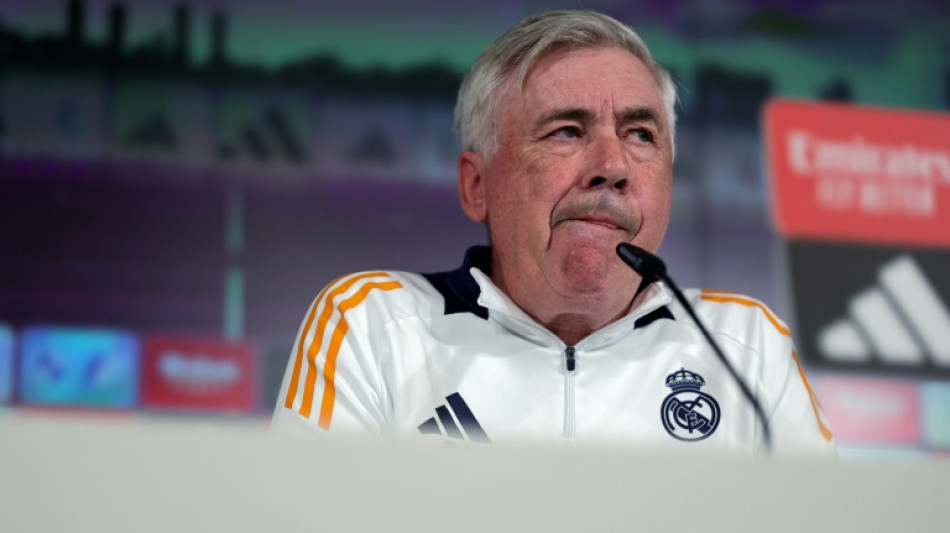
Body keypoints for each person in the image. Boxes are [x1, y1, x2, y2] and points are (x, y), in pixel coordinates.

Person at [273, 10, 835, 455]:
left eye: (640, 134)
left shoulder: (745, 347)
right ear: (477, 186)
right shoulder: (374, 326)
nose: (612, 166)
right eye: (567, 131)